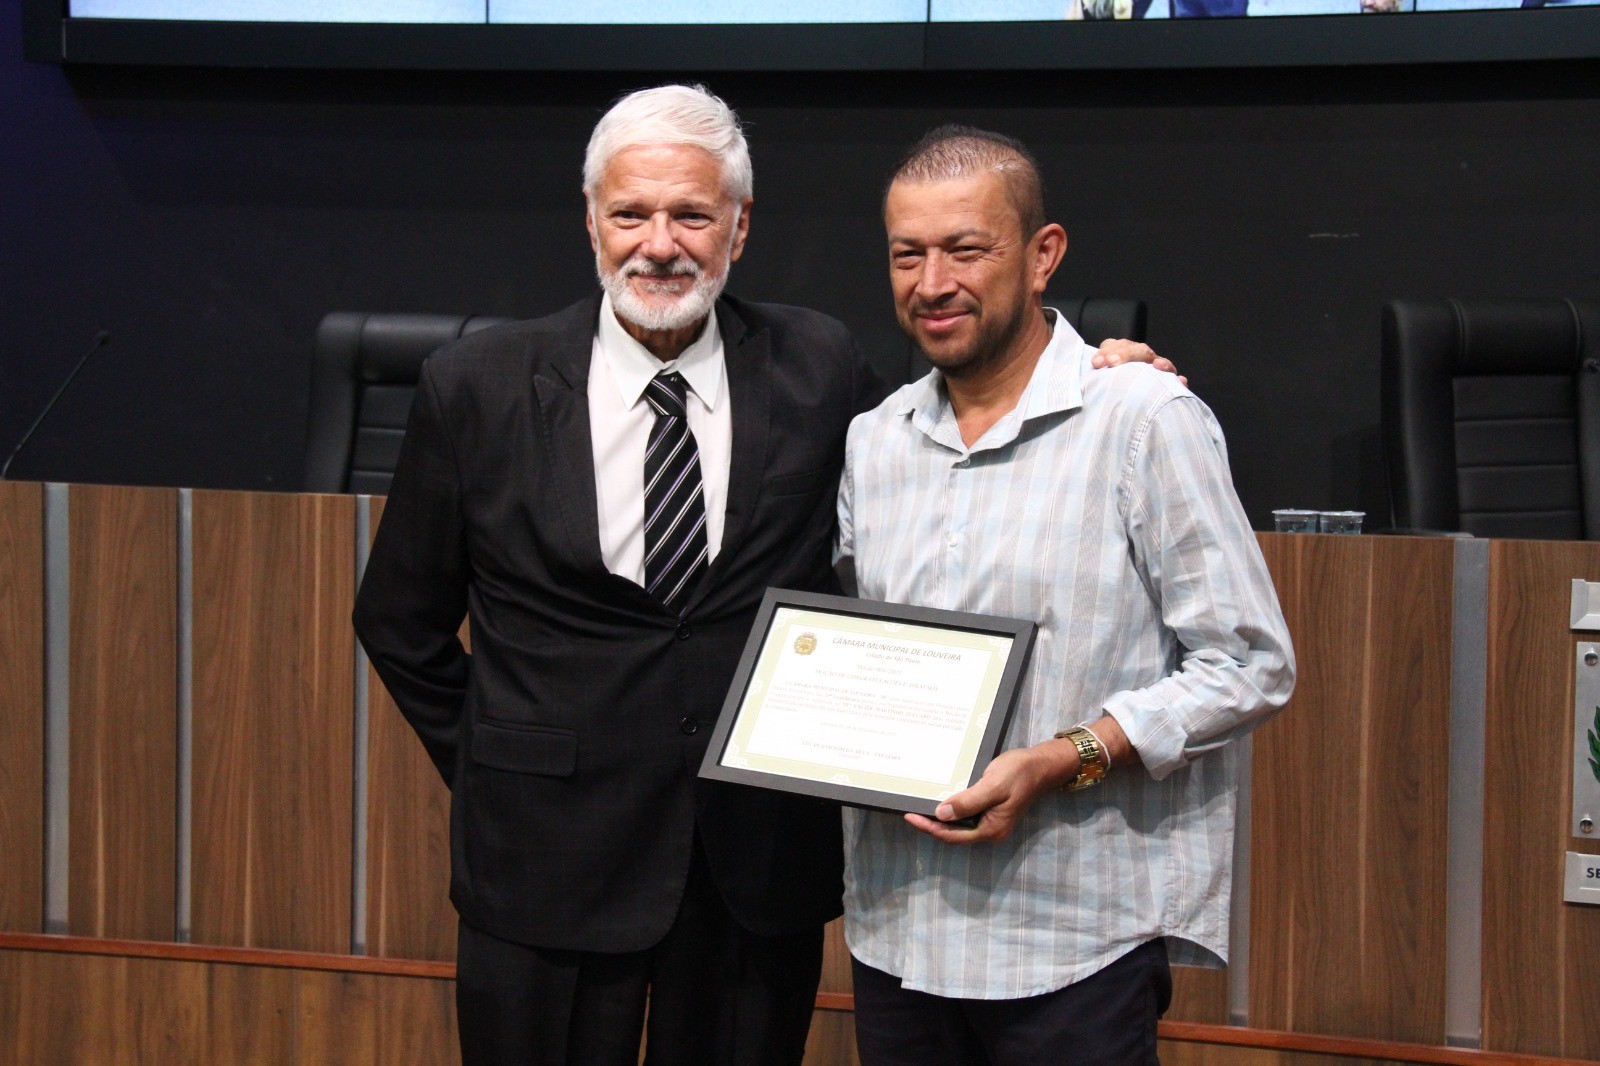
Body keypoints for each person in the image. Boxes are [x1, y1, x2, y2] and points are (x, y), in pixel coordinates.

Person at [354, 86, 1172, 1066]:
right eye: (631, 214)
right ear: (590, 222)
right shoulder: (476, 386)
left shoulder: (818, 366)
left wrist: (1085, 374)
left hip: (751, 869)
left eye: (692, 215)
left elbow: (950, 430)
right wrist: (501, 767)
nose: (660, 243)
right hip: (543, 866)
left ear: (738, 230)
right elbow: (399, 621)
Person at [836, 125, 1296, 1066]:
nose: (933, 283)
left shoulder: (1142, 421)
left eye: (966, 249)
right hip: (895, 935)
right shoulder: (873, 441)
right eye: (907, 254)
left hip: (1072, 945)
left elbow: (1251, 665)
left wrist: (1064, 756)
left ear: (1043, 256)